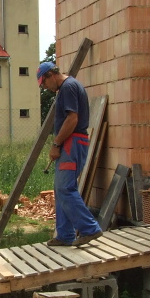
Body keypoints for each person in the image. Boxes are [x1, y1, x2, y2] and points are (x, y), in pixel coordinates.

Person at [37, 61, 103, 247]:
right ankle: (65, 235)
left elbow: (72, 119)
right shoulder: (69, 86)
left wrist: (56, 143)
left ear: (51, 75)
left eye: (44, 83)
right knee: (60, 189)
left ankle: (90, 229)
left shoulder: (67, 87)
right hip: (72, 143)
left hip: (71, 143)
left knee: (65, 188)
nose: (45, 88)